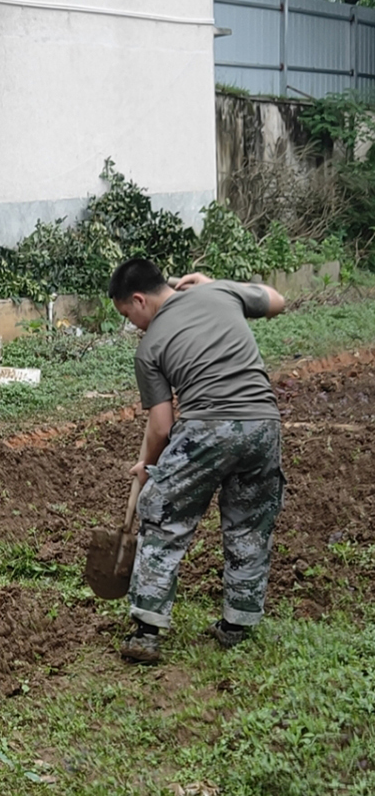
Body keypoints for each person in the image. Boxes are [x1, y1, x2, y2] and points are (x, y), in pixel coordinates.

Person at [107, 258, 286, 665]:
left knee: (163, 513)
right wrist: (217, 282)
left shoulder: (150, 347)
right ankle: (237, 624)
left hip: (207, 428)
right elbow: (278, 301)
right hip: (263, 426)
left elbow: (161, 425)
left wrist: (147, 467)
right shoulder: (220, 292)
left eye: (126, 315)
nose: (131, 324)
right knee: (249, 522)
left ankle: (147, 630)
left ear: (138, 300)